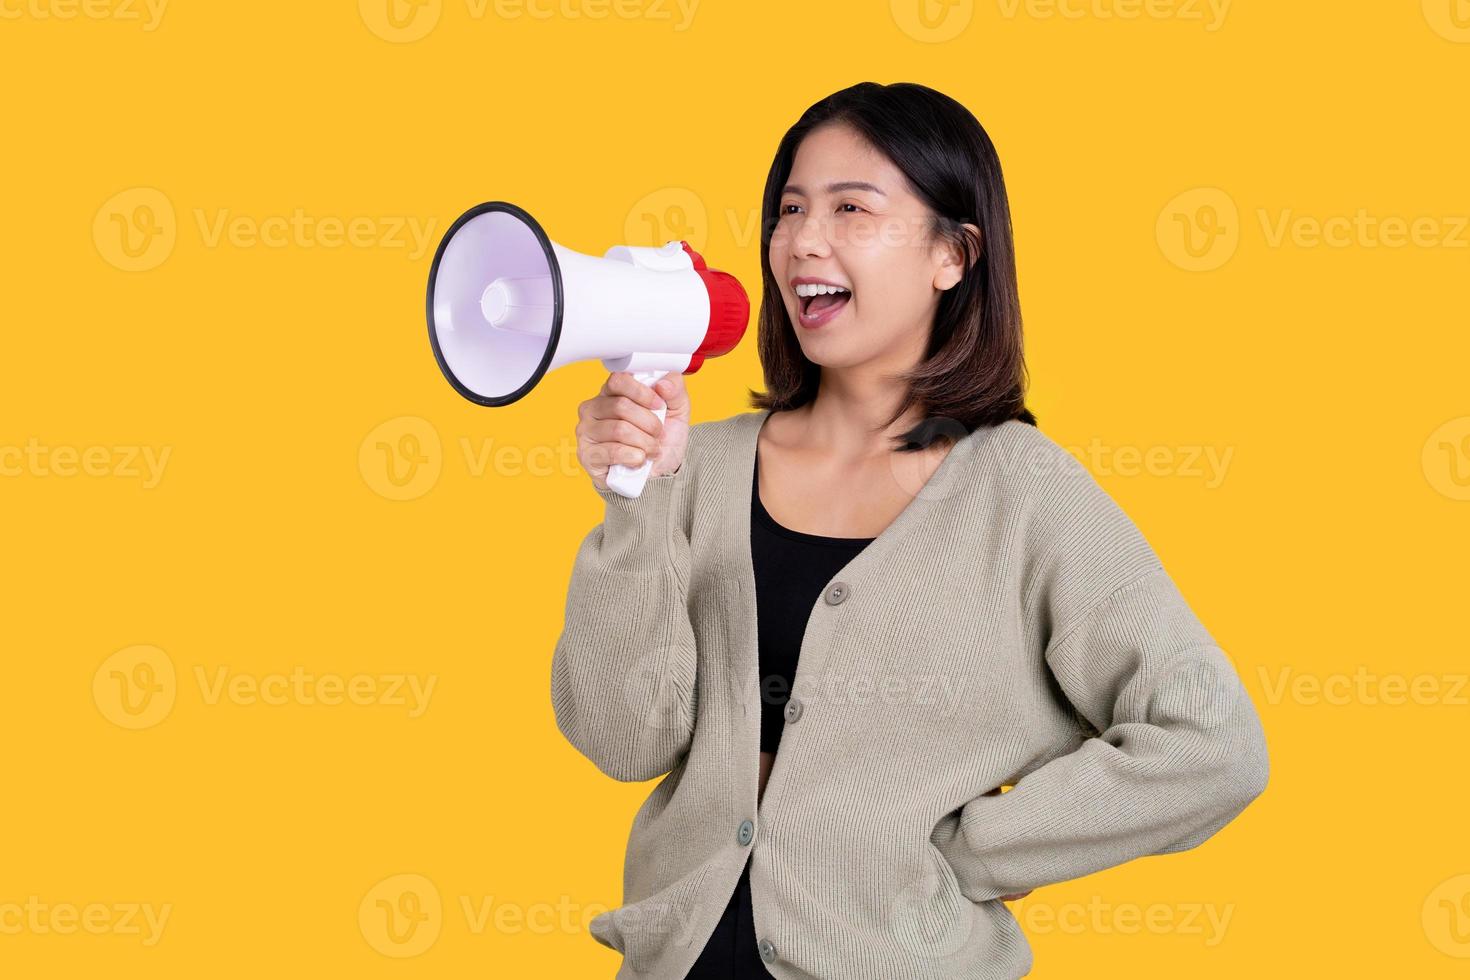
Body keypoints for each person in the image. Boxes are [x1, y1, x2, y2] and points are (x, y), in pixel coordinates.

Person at [554, 81, 1269, 980]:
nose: (802, 241)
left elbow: (1213, 743)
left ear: (953, 254)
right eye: (789, 209)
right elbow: (624, 740)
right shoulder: (695, 465)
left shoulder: (1023, 491)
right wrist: (632, 502)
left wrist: (967, 853)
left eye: (853, 208)